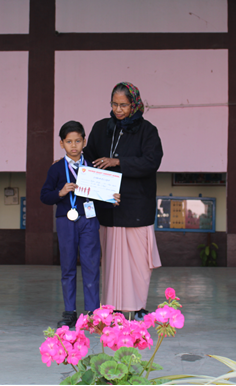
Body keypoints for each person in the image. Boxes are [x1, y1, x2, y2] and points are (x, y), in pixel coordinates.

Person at [84, 82, 163, 320]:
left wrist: (118, 162)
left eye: (124, 105)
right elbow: (88, 157)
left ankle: (138, 308)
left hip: (136, 208)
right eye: (115, 104)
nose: (118, 110)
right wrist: (70, 160)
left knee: (138, 264)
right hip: (108, 208)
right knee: (111, 263)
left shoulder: (147, 131)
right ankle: (113, 309)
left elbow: (151, 162)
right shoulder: (101, 128)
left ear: (134, 105)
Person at [41, 121, 120, 328]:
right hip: (65, 220)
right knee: (67, 266)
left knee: (91, 265)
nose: (73, 145)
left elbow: (99, 198)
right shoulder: (56, 169)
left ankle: (93, 313)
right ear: (61, 144)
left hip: (89, 220)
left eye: (77, 141)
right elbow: (44, 196)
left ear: (84, 141)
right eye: (69, 142)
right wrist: (60, 192)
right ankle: (70, 312)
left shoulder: (93, 168)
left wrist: (111, 199)